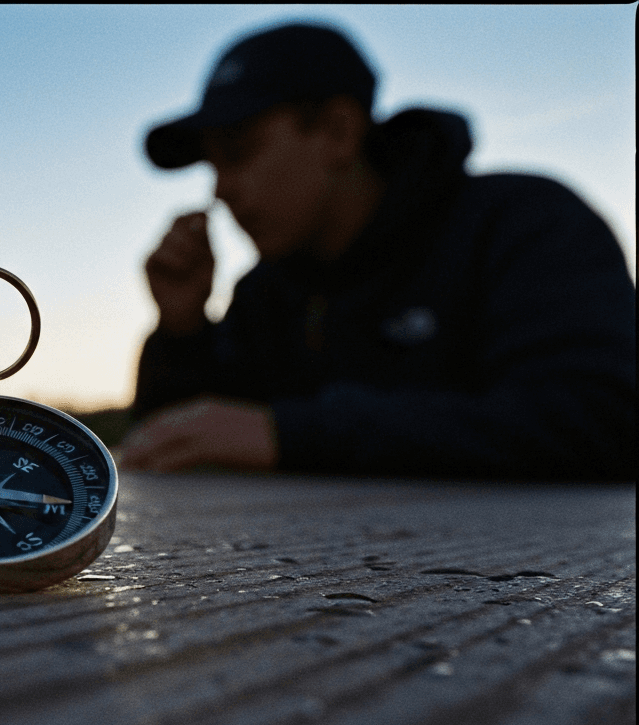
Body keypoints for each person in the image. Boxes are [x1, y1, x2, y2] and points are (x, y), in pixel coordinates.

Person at [118, 21, 635, 481]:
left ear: (339, 133)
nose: (221, 189)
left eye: (237, 154)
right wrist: (182, 331)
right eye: (212, 165)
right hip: (304, 581)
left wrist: (295, 434)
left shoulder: (523, 222)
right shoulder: (267, 291)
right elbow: (182, 446)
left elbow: (605, 418)